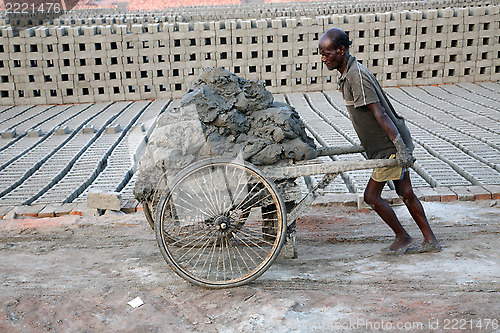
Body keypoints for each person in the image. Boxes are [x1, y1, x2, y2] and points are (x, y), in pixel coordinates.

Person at [318, 28, 441, 254]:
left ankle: (402, 236)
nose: (323, 59)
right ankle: (430, 240)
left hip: (389, 148)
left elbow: (380, 113)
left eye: (327, 54)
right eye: (321, 54)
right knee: (406, 193)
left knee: (371, 196)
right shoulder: (347, 73)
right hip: (384, 145)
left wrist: (399, 147)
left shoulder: (356, 75)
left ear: (341, 50)